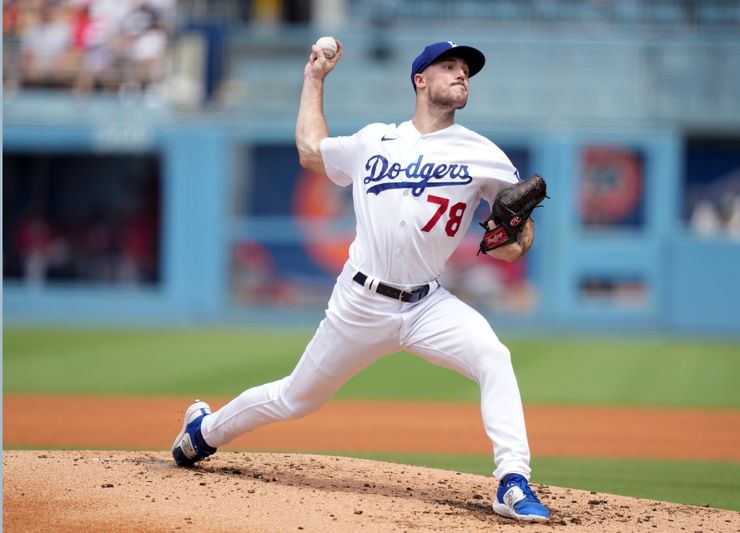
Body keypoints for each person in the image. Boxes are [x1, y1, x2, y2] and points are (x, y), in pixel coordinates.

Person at [172, 39, 549, 523]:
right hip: (360, 301)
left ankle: (512, 481)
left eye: (467, 71)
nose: (461, 75)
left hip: (427, 304)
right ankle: (203, 432)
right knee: (295, 398)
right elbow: (311, 152)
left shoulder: (484, 155)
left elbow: (517, 242)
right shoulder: (374, 140)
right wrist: (314, 80)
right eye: (449, 67)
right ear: (420, 80)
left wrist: (516, 233)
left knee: (493, 357)